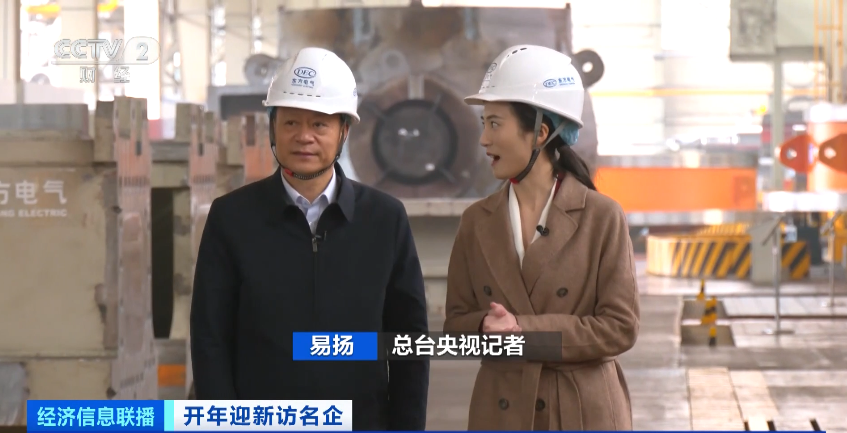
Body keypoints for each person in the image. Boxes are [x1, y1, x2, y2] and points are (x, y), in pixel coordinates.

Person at [190, 47, 430, 431]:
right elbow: (210, 338)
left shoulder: (384, 219)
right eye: (290, 122)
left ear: (344, 131)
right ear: (272, 128)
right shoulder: (232, 218)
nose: (304, 137)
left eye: (320, 124)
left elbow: (409, 341)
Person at [442, 44, 640, 431]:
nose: (483, 139)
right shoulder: (476, 222)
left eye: (495, 124)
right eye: (483, 123)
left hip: (582, 411)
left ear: (540, 133)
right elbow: (455, 323)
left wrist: (522, 331)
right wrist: (484, 327)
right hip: (501, 411)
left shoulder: (601, 217)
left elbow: (620, 327)